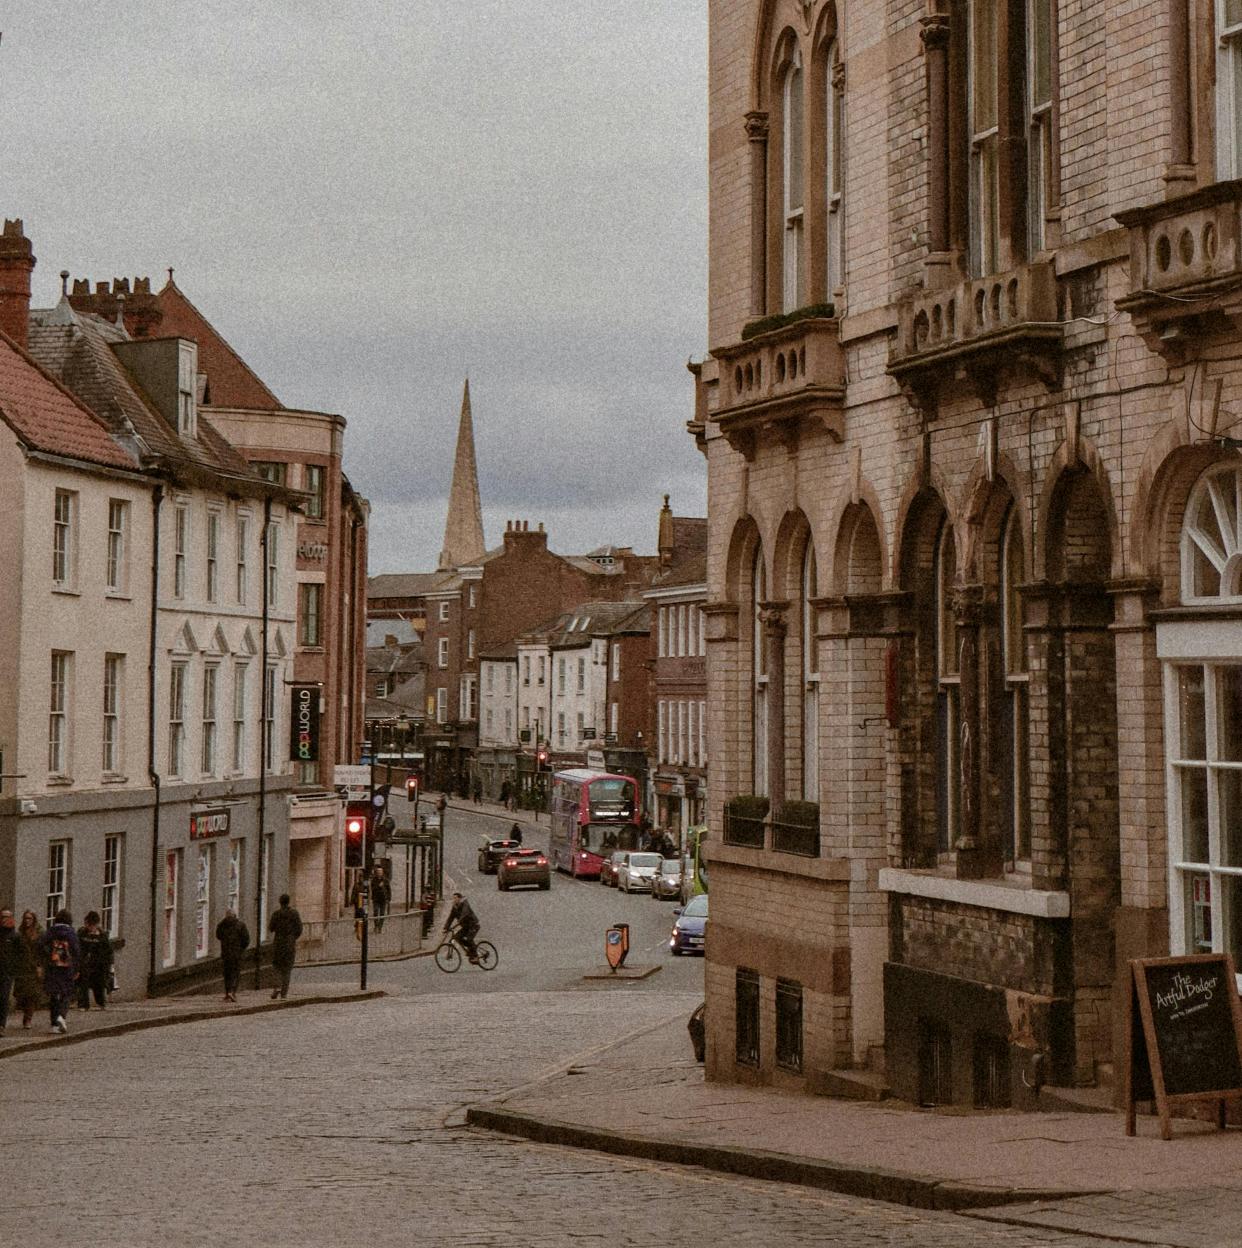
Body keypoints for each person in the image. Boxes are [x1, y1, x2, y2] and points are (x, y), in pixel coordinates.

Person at [37, 909, 79, 1034]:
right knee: (66, 993)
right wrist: (77, 968)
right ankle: (61, 1016)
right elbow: (76, 951)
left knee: (54, 994)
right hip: (67, 967)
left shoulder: (50, 932)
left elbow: (40, 945)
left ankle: (54, 1024)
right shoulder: (71, 933)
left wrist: (46, 956)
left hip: (52, 966)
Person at [75, 911, 113, 1010]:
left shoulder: (102, 935)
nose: (89, 927)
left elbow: (108, 951)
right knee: (83, 984)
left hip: (98, 964)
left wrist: (109, 965)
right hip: (84, 963)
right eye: (87, 924)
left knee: (98, 985)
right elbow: (77, 947)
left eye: (91, 925)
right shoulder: (82, 933)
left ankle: (101, 1003)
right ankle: (83, 1005)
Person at [268, 894, 303, 1000]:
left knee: (277, 966)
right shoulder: (294, 914)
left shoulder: (276, 914)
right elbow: (299, 929)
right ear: (288, 902)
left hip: (279, 943)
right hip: (289, 944)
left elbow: (271, 928)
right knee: (287, 969)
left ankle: (277, 986)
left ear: (280, 902)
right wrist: (293, 938)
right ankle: (284, 994)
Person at [13, 911, 42, 1029]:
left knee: (31, 994)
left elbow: (41, 951)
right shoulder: (20, 933)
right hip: (22, 967)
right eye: (25, 918)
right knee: (22, 994)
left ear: (34, 920)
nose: (27, 921)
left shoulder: (39, 933)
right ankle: (26, 1015)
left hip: (33, 967)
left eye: (29, 918)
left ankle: (28, 1019)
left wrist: (40, 966)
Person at [215, 909, 250, 1002]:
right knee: (236, 973)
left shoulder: (222, 925)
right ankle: (232, 992)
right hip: (237, 953)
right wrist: (241, 949)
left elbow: (218, 936)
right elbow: (246, 940)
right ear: (235, 915)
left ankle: (227, 993)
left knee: (227, 974)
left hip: (226, 953)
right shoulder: (241, 925)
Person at [443, 892, 480, 963]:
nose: (454, 900)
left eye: (455, 898)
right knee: (457, 937)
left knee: (469, 939)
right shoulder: (454, 907)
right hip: (466, 926)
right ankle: (471, 949)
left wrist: (459, 921)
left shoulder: (465, 904)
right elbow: (450, 918)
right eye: (453, 898)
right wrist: (446, 927)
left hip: (473, 925)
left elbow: (465, 913)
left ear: (460, 898)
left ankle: (476, 956)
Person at [0, 909, 20, 1032]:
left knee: (3, 998)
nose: (4, 919)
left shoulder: (15, 936)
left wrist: (15, 969)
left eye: (7, 917)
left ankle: (1, 1025)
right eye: (2, 917)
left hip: (7, 972)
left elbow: (20, 954)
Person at [371, 866, 391, 933]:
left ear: (382, 873)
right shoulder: (374, 880)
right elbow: (372, 889)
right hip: (376, 899)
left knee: (382, 914)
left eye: (380, 872)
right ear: (376, 873)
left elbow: (389, 890)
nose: (379, 873)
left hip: (383, 899)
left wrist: (389, 898)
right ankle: (376, 926)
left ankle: (380, 927)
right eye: (378, 872)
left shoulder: (385, 880)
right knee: (376, 912)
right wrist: (378, 886)